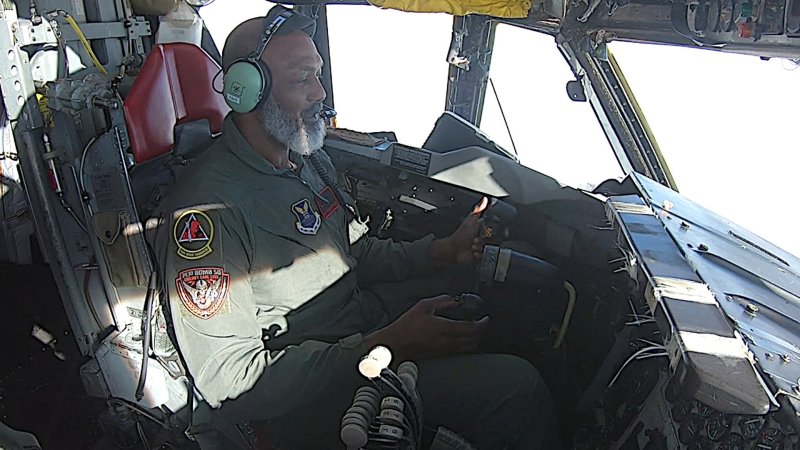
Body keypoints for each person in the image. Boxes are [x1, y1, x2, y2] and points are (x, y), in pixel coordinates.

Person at [153, 5, 555, 449]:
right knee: (517, 387)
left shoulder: (307, 160)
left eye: (319, 75)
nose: (320, 92)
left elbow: (351, 252)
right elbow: (230, 384)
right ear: (247, 92)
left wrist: (442, 251)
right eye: (302, 78)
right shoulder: (207, 214)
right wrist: (390, 343)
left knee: (497, 299)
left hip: (361, 330)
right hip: (307, 400)